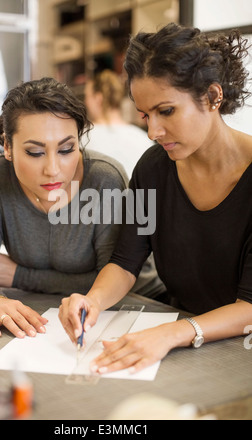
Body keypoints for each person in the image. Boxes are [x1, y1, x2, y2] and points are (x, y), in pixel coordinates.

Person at [59, 23, 252, 375]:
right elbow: (125, 260)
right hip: (185, 339)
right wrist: (93, 300)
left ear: (213, 97)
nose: (153, 132)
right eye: (145, 115)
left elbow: (251, 305)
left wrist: (171, 333)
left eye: (166, 111)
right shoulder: (154, 166)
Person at [0, 77, 137, 339]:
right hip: (45, 310)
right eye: (35, 152)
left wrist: (19, 276)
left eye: (66, 149)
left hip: (134, 305)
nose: (53, 169)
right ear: (7, 146)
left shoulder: (105, 180)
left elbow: (111, 279)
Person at [84, 69, 152, 178]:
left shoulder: (82, 138)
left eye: (87, 97)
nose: (85, 102)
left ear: (98, 99)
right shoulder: (145, 139)